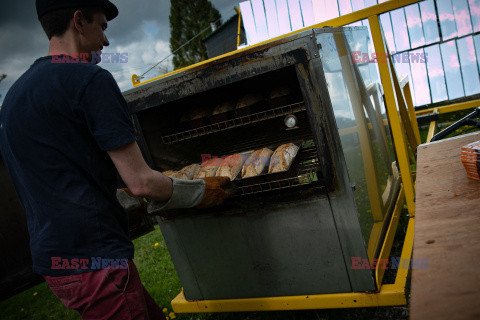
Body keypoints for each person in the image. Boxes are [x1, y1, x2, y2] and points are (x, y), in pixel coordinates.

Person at [0, 0, 230, 319]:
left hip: (56, 264)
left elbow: (56, 182)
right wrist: (201, 192)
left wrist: (118, 199)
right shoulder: (88, 79)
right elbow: (141, 182)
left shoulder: (15, 96)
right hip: (97, 263)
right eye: (103, 27)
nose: (106, 41)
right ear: (79, 21)